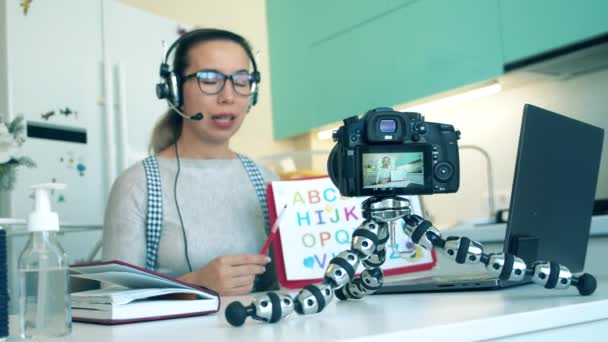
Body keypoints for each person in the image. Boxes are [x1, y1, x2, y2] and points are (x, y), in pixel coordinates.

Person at [102, 28, 278, 296]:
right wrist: (193, 286)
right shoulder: (136, 186)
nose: (228, 96)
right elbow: (113, 300)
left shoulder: (269, 181)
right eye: (209, 79)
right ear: (174, 90)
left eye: (241, 80)